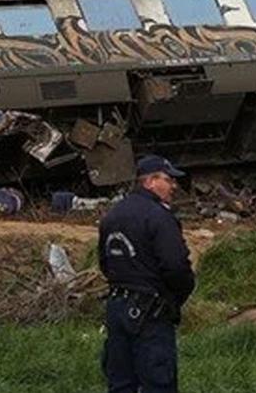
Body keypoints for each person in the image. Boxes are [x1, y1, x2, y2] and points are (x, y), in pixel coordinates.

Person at [98, 155, 195, 393]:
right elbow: (176, 266)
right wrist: (175, 298)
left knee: (121, 382)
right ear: (150, 182)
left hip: (116, 307)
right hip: (151, 312)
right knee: (158, 381)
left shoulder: (112, 215)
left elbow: (104, 262)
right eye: (169, 180)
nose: (173, 186)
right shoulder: (159, 216)